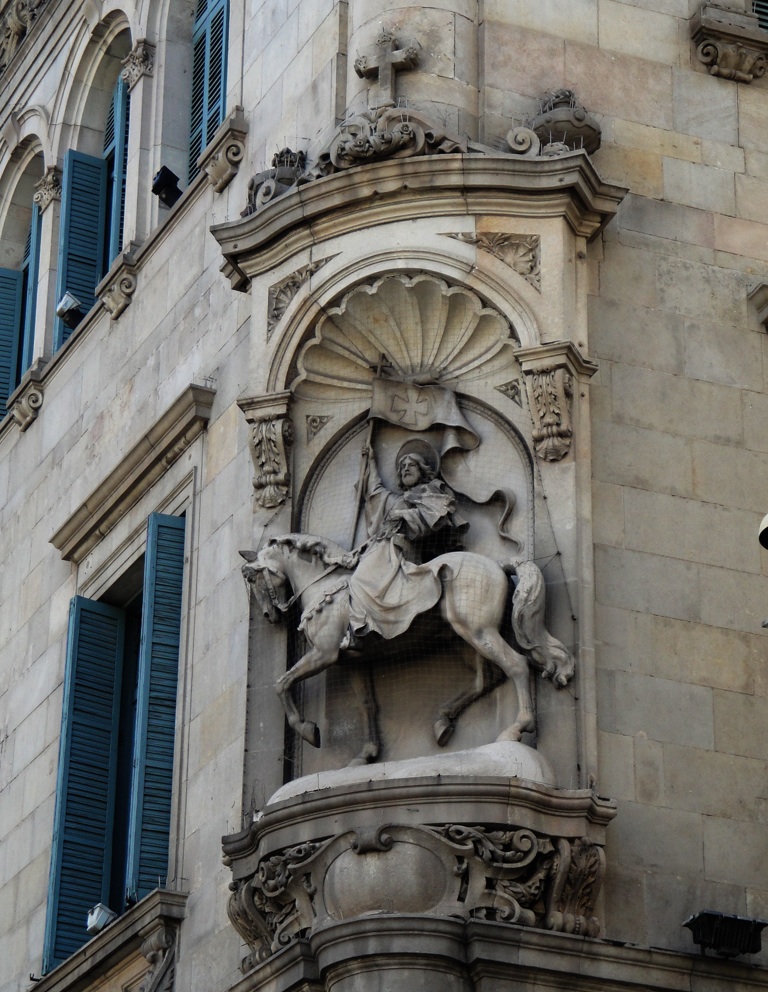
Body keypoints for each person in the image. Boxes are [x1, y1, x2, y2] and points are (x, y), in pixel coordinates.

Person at [346, 438, 467, 642]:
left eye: (411, 465)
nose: (406, 468)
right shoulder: (395, 500)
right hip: (382, 552)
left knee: (358, 581)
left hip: (405, 553)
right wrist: (371, 461)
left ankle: (358, 629)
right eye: (402, 466)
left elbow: (434, 521)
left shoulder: (430, 491)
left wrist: (404, 515)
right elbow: (374, 491)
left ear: (422, 470)